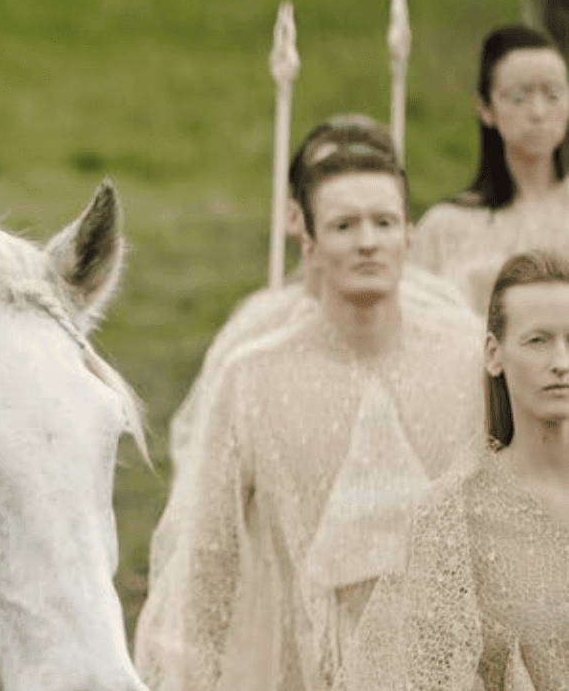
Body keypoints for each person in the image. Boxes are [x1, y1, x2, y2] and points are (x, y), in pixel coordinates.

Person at [135, 116, 477, 684]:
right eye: (344, 225)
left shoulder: (468, 358)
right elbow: (210, 557)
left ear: (408, 235)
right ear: (310, 240)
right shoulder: (251, 376)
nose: (368, 241)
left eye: (384, 222)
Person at [337, 249, 569, 691]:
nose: (561, 361)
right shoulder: (453, 517)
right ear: (493, 354)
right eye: (538, 340)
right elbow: (426, 678)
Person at [413, 25, 569, 313]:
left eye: (554, 94)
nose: (538, 112)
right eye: (519, 97)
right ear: (485, 107)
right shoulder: (444, 228)